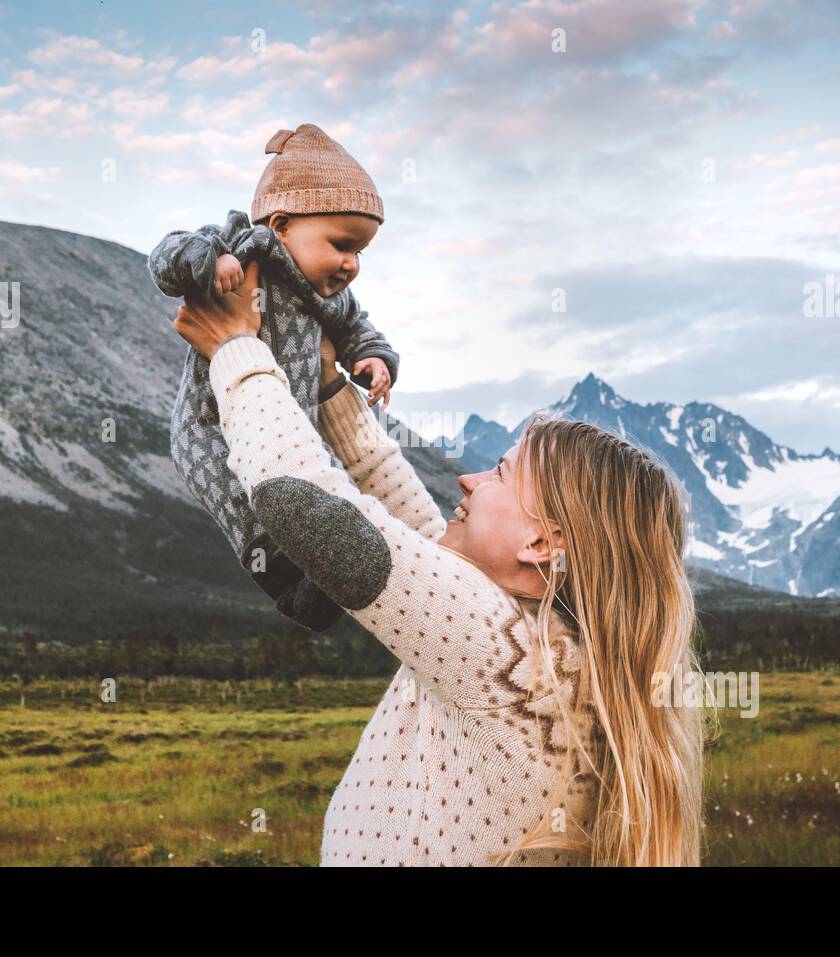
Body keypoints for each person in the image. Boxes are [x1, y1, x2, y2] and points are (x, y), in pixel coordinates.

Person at [172, 262, 708, 866]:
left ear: (542, 543)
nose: (469, 479)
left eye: (501, 474)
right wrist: (330, 388)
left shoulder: (504, 655)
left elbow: (304, 503)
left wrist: (236, 351)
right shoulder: (546, 650)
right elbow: (408, 527)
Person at [148, 124, 399, 633]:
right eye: (341, 244)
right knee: (244, 499)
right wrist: (208, 260)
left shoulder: (329, 296)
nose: (351, 264)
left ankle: (331, 574)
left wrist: (373, 357)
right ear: (281, 224)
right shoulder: (241, 250)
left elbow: (357, 324)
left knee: (313, 494)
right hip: (210, 425)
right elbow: (166, 256)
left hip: (289, 426)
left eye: (361, 253)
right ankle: (288, 585)